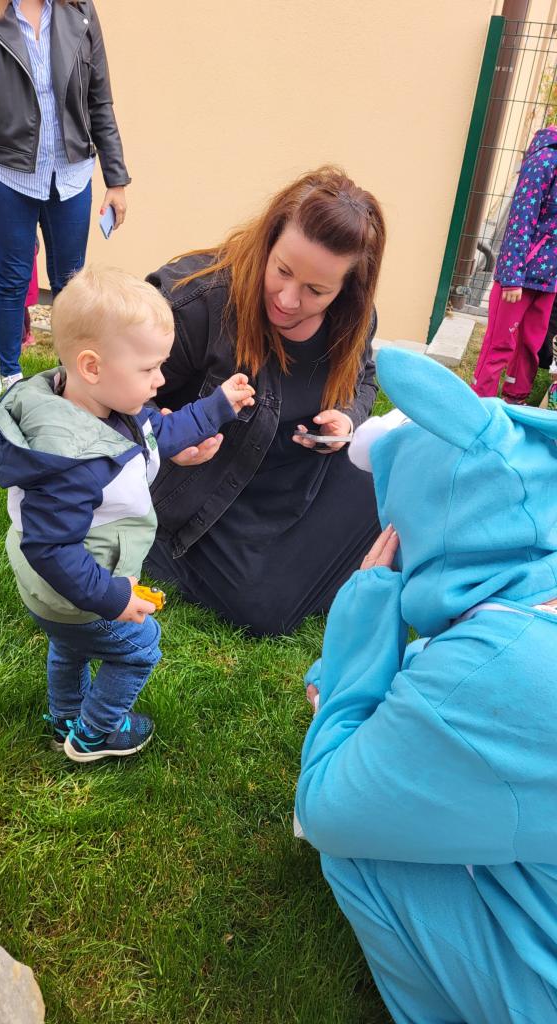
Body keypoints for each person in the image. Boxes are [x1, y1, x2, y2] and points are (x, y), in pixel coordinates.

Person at [296, 347, 557, 1023]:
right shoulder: (531, 612)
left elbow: (326, 806)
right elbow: (445, 672)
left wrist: (362, 624)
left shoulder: (494, 665)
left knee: (356, 849)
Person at [0, 266, 254, 762]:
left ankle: (65, 717)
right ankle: (95, 734)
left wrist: (218, 406)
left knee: (70, 646)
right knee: (139, 645)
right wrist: (112, 597)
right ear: (92, 366)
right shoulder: (73, 460)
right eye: (149, 369)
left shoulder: (97, 404)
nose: (160, 380)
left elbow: (159, 433)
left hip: (57, 592)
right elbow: (52, 548)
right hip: (75, 589)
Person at [145, 166, 385, 636]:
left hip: (305, 479)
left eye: (316, 290)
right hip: (212, 496)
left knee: (404, 484)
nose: (289, 300)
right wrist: (168, 436)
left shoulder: (354, 316)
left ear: (347, 288)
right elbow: (102, 396)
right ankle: (157, 546)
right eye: (283, 271)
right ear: (268, 239)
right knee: (266, 611)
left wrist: (348, 419)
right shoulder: (196, 301)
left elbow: (365, 380)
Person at [0, 0, 130, 389]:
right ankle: (10, 379)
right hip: (6, 171)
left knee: (71, 280)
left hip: (71, 173)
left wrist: (115, 180)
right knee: (12, 277)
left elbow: (100, 100)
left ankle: (70, 377)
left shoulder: (80, 10)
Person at [472, 125, 557, 403]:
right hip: (520, 277)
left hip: (549, 279)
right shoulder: (544, 160)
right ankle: (482, 401)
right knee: (501, 343)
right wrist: (512, 277)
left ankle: (516, 399)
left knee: (531, 344)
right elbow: (521, 219)